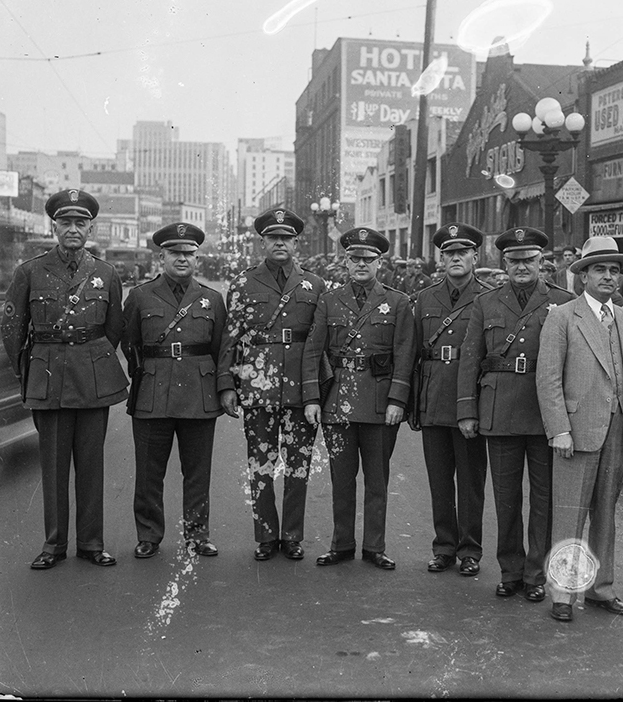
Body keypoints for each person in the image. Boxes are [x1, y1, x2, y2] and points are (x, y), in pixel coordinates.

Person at [0, 189, 129, 569]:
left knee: (91, 465)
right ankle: (54, 545)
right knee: (53, 467)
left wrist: (93, 359)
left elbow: (114, 327)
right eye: (66, 222)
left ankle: (91, 543)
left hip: (92, 381)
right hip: (49, 376)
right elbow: (13, 329)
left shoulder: (105, 273)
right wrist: (31, 371)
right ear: (54, 226)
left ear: (91, 227)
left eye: (80, 223)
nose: (73, 229)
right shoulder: (30, 271)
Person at [457, 227, 576, 602]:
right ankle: (510, 570)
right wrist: (467, 410)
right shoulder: (486, 303)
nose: (521, 266)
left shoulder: (564, 300)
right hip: (500, 410)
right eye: (514, 260)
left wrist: (568, 418)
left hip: (546, 415)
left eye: (529, 260)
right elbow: (469, 358)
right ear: (503, 263)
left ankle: (535, 573)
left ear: (542, 263)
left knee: (544, 499)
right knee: (506, 497)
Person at [536, 236, 623, 622]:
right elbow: (548, 380)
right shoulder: (563, 317)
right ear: (582, 276)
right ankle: (563, 594)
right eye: (600, 269)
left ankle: (601, 588)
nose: (609, 277)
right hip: (576, 430)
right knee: (569, 514)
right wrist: (559, 429)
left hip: (616, 427)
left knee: (606, 514)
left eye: (615, 271)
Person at [302, 227, 417, 571]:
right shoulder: (329, 300)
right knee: (341, 478)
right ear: (346, 262)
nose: (361, 264)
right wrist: (312, 398)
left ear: (379, 262)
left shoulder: (398, 302)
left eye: (368, 258)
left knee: (377, 481)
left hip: (381, 403)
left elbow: (405, 352)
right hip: (338, 403)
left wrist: (398, 399)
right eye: (355, 258)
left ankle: (374, 547)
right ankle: (341, 544)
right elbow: (313, 351)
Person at [217, 208, 326, 561]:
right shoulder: (243, 284)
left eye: (287, 238)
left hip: (299, 387)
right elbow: (230, 339)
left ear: (296, 242)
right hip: (257, 384)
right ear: (262, 241)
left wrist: (318, 390)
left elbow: (321, 341)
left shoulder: (314, 284)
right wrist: (227, 385)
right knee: (260, 464)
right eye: (273, 238)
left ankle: (292, 535)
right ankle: (265, 536)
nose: (280, 243)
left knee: (298, 465)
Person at [122, 223, 226, 559]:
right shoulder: (139, 296)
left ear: (197, 257)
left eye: (189, 253)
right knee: (149, 471)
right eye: (175, 253)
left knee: (197, 471)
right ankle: (149, 535)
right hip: (153, 392)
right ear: (162, 256)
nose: (183, 259)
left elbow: (220, 347)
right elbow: (130, 342)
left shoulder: (212, 299)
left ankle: (198, 535)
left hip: (199, 392)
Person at [411, 223, 493, 576]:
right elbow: (413, 352)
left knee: (471, 482)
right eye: (449, 253)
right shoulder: (426, 298)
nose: (455, 258)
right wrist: (415, 403)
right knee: (440, 480)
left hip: (469, 399)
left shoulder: (489, 297)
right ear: (440, 258)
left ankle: (470, 549)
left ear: (476, 256)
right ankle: (444, 546)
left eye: (463, 252)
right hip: (434, 397)